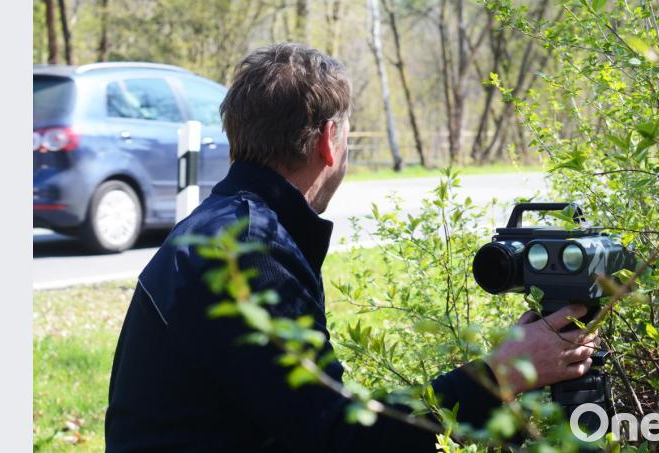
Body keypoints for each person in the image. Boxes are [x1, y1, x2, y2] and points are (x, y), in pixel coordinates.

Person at [104, 43, 598, 452]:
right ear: (329, 141)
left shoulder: (223, 225)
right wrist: (502, 374)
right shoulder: (255, 250)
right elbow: (339, 437)